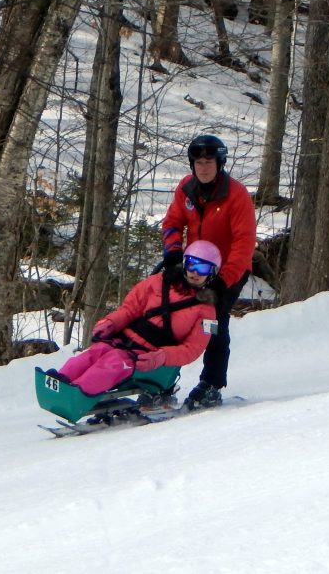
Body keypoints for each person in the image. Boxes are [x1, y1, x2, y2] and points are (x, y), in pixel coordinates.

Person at [162, 134, 257, 409]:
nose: (203, 167)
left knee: (214, 322)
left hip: (230, 268)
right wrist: (172, 256)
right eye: (198, 162)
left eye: (209, 161)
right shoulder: (186, 189)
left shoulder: (236, 196)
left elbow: (244, 244)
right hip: (194, 265)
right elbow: (172, 222)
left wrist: (223, 282)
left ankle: (212, 384)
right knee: (171, 316)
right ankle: (163, 382)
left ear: (220, 163)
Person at [56, 241, 222, 396]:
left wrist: (162, 356)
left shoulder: (208, 312)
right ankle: (61, 379)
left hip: (147, 355)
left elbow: (193, 348)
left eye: (203, 269)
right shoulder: (159, 282)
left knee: (113, 362)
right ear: (185, 263)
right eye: (192, 264)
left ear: (212, 272)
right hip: (124, 339)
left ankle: (79, 391)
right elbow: (130, 308)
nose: (195, 272)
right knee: (97, 351)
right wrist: (110, 323)